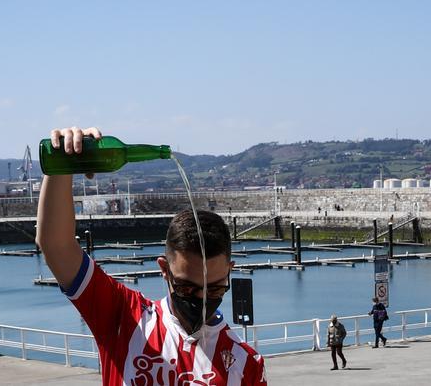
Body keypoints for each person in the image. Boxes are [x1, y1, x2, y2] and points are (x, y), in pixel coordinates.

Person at [38, 126, 267, 386]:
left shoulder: (246, 363)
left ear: (230, 270)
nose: (201, 300)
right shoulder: (125, 316)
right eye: (187, 287)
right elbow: (56, 246)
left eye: (214, 289)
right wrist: (62, 163)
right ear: (164, 269)